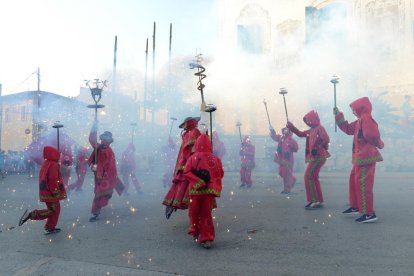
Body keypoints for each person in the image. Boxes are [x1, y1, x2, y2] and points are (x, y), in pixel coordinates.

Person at [334, 97, 384, 223]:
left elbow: (372, 135)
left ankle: (369, 213)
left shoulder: (365, 118)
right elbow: (348, 129)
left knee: (363, 184)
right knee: (354, 181)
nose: (353, 112)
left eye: (354, 109)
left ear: (360, 107)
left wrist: (379, 144)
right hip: (360, 157)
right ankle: (356, 206)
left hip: (365, 157)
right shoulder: (359, 120)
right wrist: (338, 115)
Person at [184, 134, 224, 249]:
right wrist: (211, 182)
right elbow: (220, 174)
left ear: (197, 144)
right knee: (207, 215)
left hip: (195, 192)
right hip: (208, 193)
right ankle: (207, 238)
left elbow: (186, 173)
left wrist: (198, 181)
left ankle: (195, 232)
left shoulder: (192, 158)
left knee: (194, 213)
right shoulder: (215, 159)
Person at [18, 146, 67, 234]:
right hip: (51, 192)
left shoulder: (47, 163)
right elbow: (53, 179)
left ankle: (50, 227)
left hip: (46, 191)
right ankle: (31, 215)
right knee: (54, 210)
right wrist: (56, 192)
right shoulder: (53, 164)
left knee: (54, 209)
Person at [287, 110, 330, 209]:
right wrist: (292, 127)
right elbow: (301, 134)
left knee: (308, 176)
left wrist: (318, 147)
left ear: (313, 119)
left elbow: (326, 139)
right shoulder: (311, 130)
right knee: (313, 177)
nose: (308, 122)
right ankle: (318, 200)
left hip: (318, 157)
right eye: (307, 121)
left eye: (309, 120)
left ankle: (314, 200)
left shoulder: (320, 128)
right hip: (317, 157)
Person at [163, 117, 201, 219]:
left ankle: (174, 204)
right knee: (189, 186)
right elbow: (194, 148)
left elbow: (194, 148)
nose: (183, 127)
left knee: (184, 185)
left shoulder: (191, 133)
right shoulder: (192, 132)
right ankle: (174, 205)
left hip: (187, 162)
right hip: (190, 163)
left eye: (184, 124)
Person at [88, 120, 124, 222]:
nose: (104, 141)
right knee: (98, 193)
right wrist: (94, 125)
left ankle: (96, 212)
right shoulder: (99, 147)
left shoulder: (108, 151)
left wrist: (109, 176)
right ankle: (96, 211)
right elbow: (91, 139)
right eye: (103, 139)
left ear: (109, 141)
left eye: (106, 140)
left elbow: (111, 166)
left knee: (101, 194)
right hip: (99, 175)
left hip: (106, 177)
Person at [270, 127, 298, 194]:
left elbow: (296, 149)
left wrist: (291, 145)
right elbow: (274, 137)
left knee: (287, 175)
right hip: (281, 158)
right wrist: (272, 132)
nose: (284, 131)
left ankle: (287, 189)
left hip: (288, 159)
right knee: (281, 172)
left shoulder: (292, 140)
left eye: (286, 130)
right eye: (284, 130)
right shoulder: (281, 138)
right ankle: (292, 179)